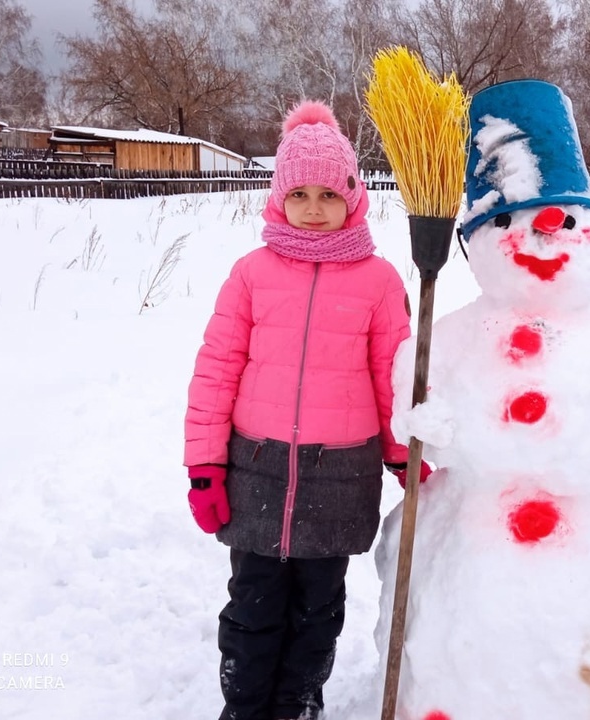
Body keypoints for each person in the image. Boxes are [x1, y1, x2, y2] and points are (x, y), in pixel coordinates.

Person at [184, 99, 428, 720]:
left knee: (319, 605)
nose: (314, 209)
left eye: (328, 193)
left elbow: (391, 378)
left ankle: (298, 703)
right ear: (277, 197)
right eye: (299, 194)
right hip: (257, 470)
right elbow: (215, 372)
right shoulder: (251, 274)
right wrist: (206, 467)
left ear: (354, 195)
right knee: (253, 601)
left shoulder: (377, 281)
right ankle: (244, 704)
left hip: (339, 476)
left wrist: (403, 456)